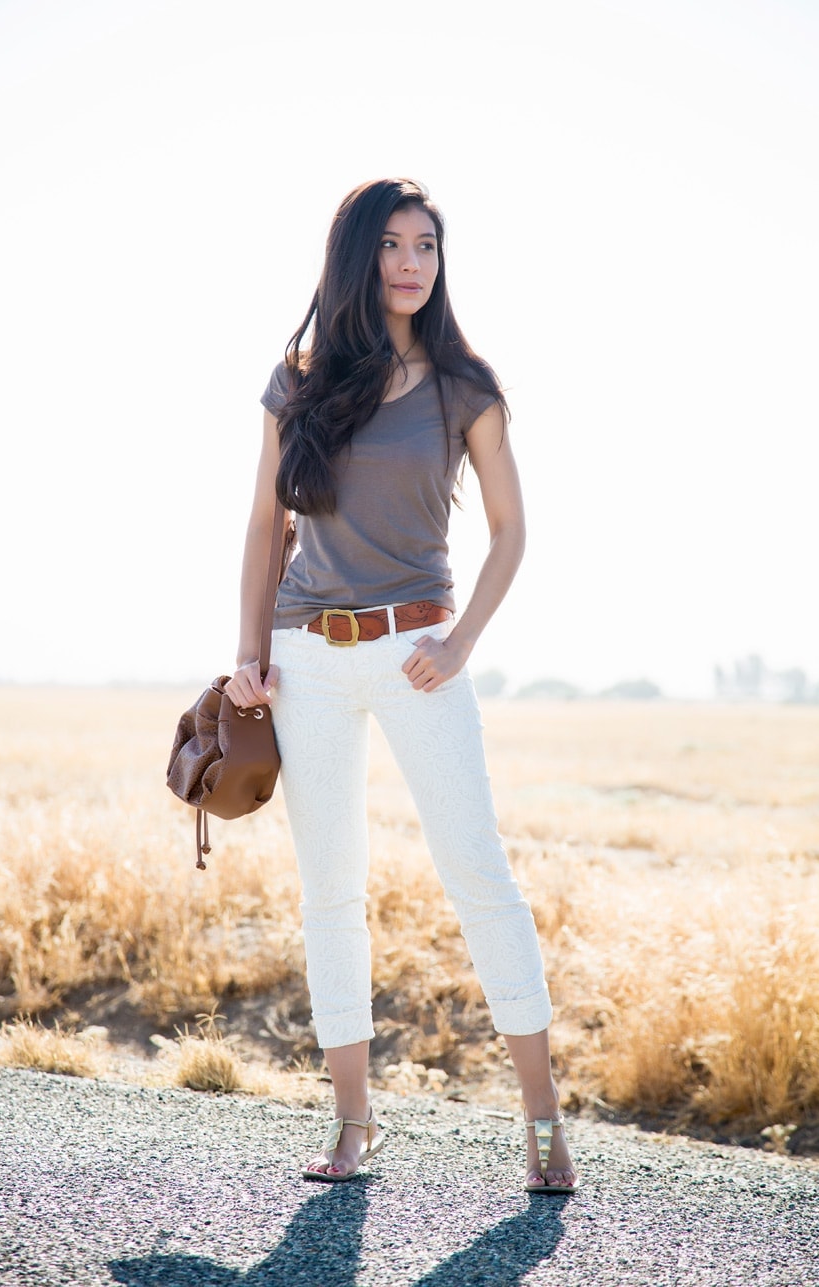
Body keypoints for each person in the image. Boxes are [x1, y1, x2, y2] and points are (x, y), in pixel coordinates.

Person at [224, 178, 578, 1194]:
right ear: (357, 258)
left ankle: (545, 1123)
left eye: (427, 244)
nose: (413, 262)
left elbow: (512, 531)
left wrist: (462, 642)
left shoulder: (464, 384)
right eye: (392, 245)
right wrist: (250, 651)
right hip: (307, 655)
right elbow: (264, 527)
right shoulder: (296, 380)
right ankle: (352, 1125)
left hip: (420, 648)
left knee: (479, 873)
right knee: (330, 890)